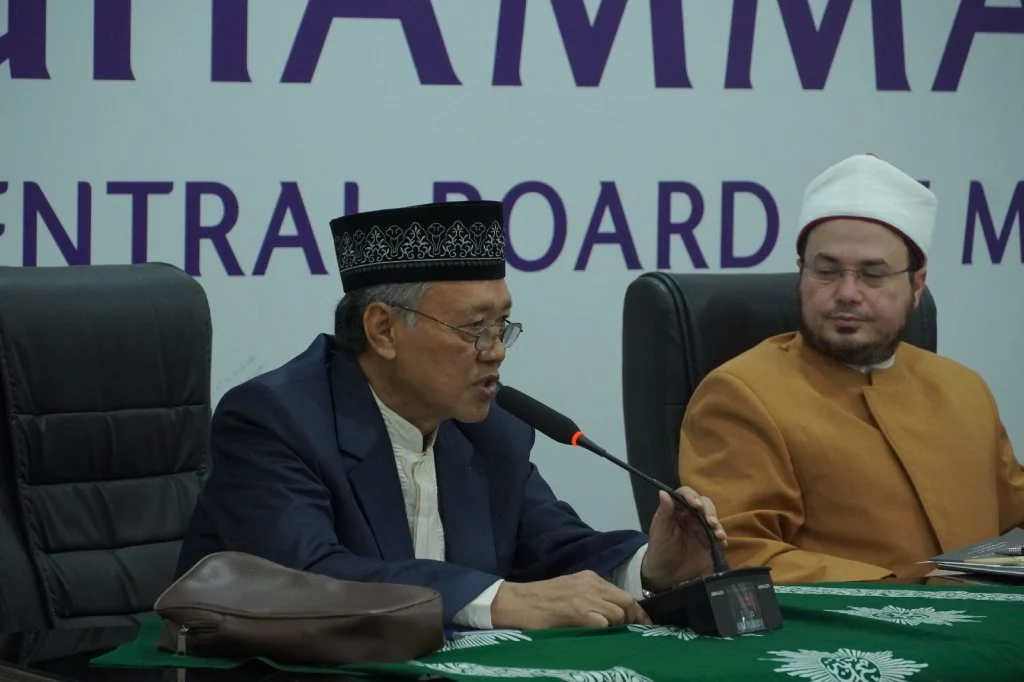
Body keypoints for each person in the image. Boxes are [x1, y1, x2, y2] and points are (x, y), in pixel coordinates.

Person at [178, 200, 728, 629]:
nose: (497, 351)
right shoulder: (275, 420)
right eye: (474, 329)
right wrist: (497, 600)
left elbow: (551, 547)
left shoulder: (492, 429)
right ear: (383, 331)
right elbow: (308, 579)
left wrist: (650, 566)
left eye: (502, 326)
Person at [676, 154, 1024, 584]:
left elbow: (1013, 522)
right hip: (849, 624)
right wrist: (909, 596)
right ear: (801, 273)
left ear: (916, 285)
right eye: (826, 271)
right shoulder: (741, 394)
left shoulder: (963, 388)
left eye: (873, 275)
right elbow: (737, 552)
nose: (847, 293)